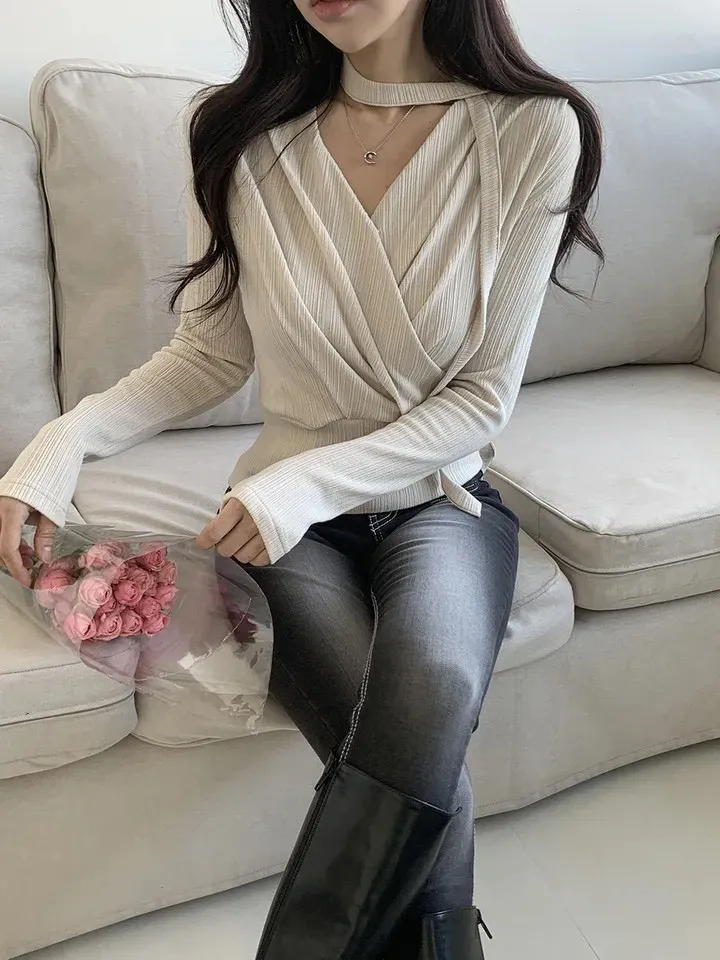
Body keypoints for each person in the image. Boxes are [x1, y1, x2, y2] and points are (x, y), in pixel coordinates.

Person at [0, 0, 603, 956]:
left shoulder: (531, 130)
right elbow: (209, 354)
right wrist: (60, 443)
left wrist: (302, 485)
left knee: (432, 687)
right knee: (406, 739)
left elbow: (481, 399)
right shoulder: (243, 137)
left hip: (435, 501)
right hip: (284, 527)